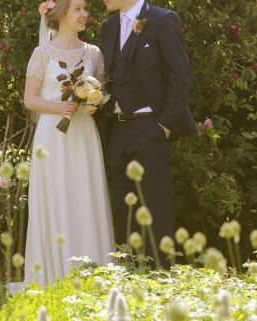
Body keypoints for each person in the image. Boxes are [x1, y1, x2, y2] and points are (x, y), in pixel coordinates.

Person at [9, 0, 115, 292]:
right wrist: (62, 107)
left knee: (85, 195)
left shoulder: (94, 53)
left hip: (84, 136)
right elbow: (29, 99)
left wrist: (91, 101)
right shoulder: (42, 54)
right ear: (61, 14)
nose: (85, 15)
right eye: (78, 9)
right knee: (56, 195)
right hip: (52, 136)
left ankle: (93, 273)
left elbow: (101, 94)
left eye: (85, 9)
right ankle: (54, 273)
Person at [99, 0, 196, 248]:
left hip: (151, 128)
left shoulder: (163, 20)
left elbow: (181, 75)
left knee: (155, 210)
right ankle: (131, 275)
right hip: (117, 130)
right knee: (124, 211)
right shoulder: (108, 26)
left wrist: (164, 126)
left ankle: (160, 278)